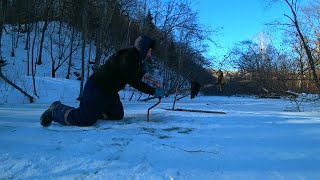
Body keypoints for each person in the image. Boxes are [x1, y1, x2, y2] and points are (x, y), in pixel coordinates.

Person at [40, 35, 165, 127]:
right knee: (85, 120)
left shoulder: (135, 60)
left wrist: (141, 70)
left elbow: (132, 78)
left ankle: (94, 110)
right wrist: (154, 91)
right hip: (97, 87)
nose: (151, 54)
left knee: (117, 115)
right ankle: (56, 110)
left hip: (109, 92)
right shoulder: (127, 57)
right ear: (144, 49)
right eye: (150, 51)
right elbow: (132, 81)